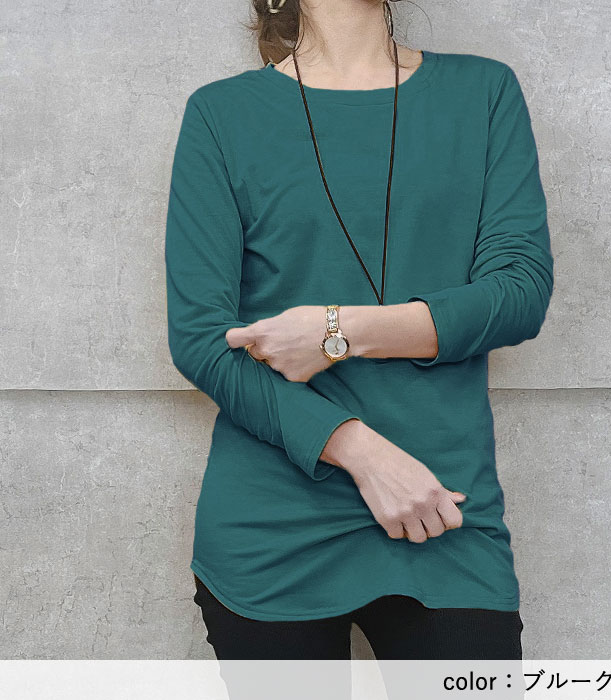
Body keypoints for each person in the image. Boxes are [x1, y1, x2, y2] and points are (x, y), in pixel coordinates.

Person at [165, 0, 554, 662]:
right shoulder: (222, 114)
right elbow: (203, 339)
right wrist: (363, 454)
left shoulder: (483, 92)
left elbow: (519, 294)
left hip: (443, 510)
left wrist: (338, 331)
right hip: (273, 531)